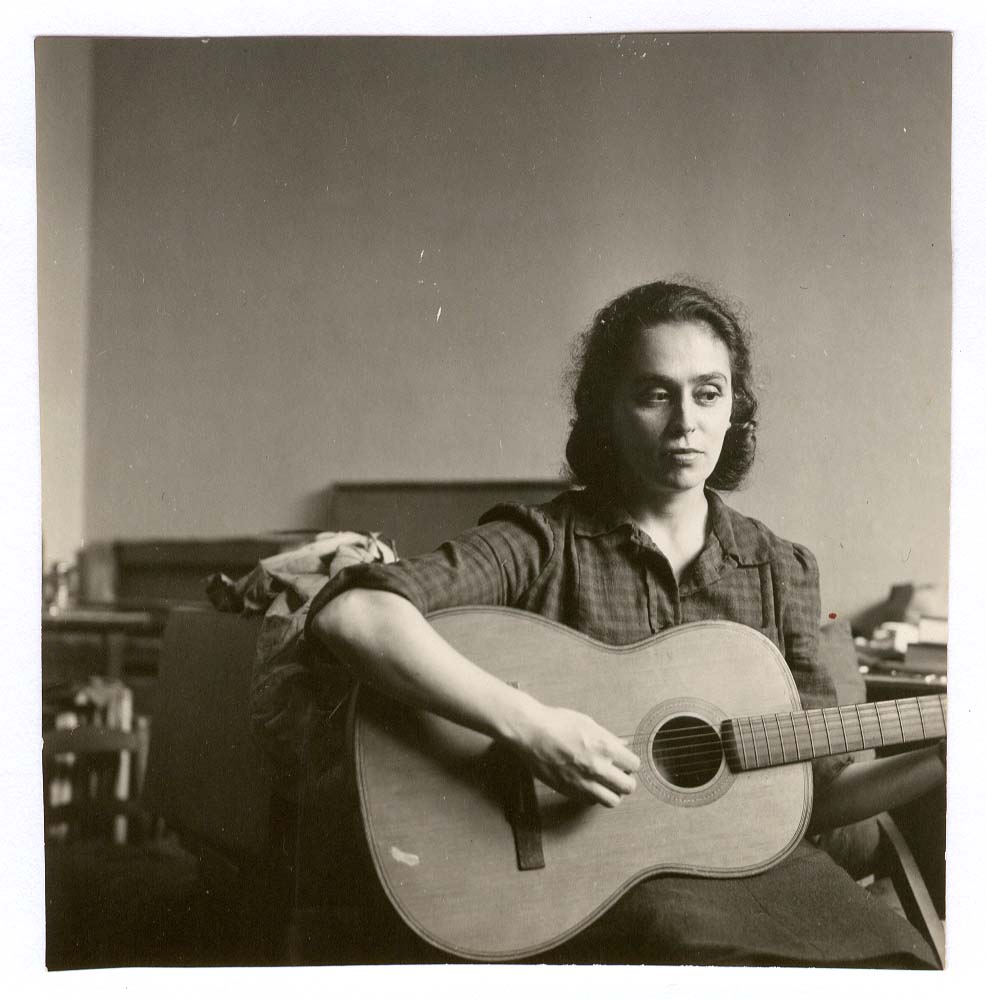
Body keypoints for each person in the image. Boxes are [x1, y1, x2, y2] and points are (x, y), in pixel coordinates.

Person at [305, 279, 945, 967]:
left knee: (903, 964)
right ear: (606, 412)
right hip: (590, 878)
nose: (685, 423)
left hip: (752, 871)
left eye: (708, 393)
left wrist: (944, 752)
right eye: (654, 394)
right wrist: (531, 727)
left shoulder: (780, 569)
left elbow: (817, 793)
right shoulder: (543, 542)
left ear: (735, 409)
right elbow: (353, 614)